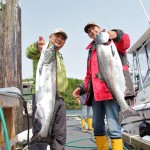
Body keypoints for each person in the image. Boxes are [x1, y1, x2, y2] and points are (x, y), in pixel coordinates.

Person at [72, 22, 135, 150]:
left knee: (113, 127)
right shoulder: (91, 51)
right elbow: (89, 75)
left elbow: (125, 43)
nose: (92, 31)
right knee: (97, 126)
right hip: (96, 94)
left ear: (100, 29)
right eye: (89, 31)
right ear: (89, 36)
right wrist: (82, 88)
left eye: (94, 28)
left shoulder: (112, 41)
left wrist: (117, 34)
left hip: (111, 93)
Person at [26, 28, 68, 150]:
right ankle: (40, 139)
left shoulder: (59, 56)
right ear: (50, 36)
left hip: (59, 99)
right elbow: (29, 53)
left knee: (60, 133)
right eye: (57, 36)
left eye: (63, 38)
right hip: (43, 97)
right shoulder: (43, 50)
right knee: (40, 127)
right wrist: (36, 46)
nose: (60, 39)